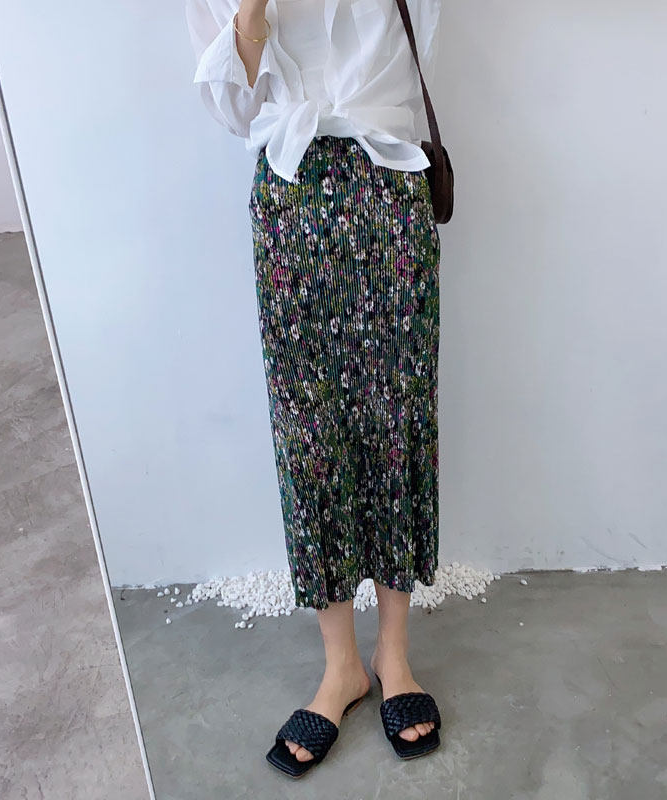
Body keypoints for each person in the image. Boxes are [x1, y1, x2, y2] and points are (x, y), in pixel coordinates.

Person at [184, 0, 444, 777]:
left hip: (392, 182)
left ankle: (394, 655)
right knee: (310, 438)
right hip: (291, 191)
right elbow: (234, 109)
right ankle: (341, 667)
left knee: (398, 423)